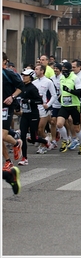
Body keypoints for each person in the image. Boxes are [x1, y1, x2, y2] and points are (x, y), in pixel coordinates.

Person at [18, 69, 49, 165]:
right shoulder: (21, 87)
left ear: (31, 77)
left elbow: (39, 101)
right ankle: (24, 158)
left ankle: (45, 141)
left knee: (33, 138)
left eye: (26, 76)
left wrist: (29, 101)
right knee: (22, 135)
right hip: (25, 115)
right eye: (23, 75)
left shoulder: (32, 88)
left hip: (33, 115)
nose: (24, 77)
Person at [3, 52, 23, 194]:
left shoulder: (8, 74)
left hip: (6, 107)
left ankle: (15, 144)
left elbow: (21, 87)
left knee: (2, 136)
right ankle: (9, 168)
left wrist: (11, 97)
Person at [56, 62, 81, 155]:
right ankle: (66, 140)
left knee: (77, 128)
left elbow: (79, 92)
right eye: (63, 70)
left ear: (70, 70)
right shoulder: (61, 78)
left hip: (74, 105)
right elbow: (61, 91)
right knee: (59, 124)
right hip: (64, 105)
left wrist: (69, 90)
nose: (64, 72)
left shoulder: (75, 78)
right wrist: (60, 96)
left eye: (66, 70)